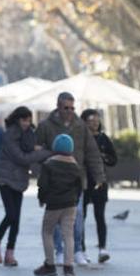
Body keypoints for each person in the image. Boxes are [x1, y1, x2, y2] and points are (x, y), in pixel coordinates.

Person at [35, 92, 105, 266]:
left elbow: (92, 152)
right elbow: (36, 151)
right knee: (57, 217)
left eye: (73, 108)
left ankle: (77, 251)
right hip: (54, 180)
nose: (69, 111)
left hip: (76, 179)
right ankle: (59, 251)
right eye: (66, 108)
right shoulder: (45, 126)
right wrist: (41, 170)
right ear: (58, 106)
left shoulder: (80, 126)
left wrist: (99, 176)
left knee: (78, 215)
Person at [0, 107, 51, 267]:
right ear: (17, 120)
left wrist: (42, 150)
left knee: (16, 220)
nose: (27, 123)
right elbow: (21, 157)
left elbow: (30, 149)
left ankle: (10, 253)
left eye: (29, 120)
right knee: (11, 215)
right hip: (5, 178)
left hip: (20, 180)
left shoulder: (29, 135)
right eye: (24, 120)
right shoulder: (10, 135)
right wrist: (46, 153)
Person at [35, 134, 83, 276]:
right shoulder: (75, 166)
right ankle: (69, 268)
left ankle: (50, 265)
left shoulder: (49, 165)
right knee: (68, 234)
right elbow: (79, 187)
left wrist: (42, 198)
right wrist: (74, 199)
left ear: (55, 147)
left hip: (54, 204)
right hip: (70, 204)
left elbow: (43, 185)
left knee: (47, 231)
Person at [79, 109, 117, 263]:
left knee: (99, 216)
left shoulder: (103, 138)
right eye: (90, 121)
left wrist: (103, 157)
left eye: (96, 121)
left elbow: (114, 159)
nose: (94, 124)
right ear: (84, 123)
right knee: (81, 217)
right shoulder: (79, 138)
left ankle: (102, 248)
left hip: (99, 182)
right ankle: (80, 250)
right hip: (83, 182)